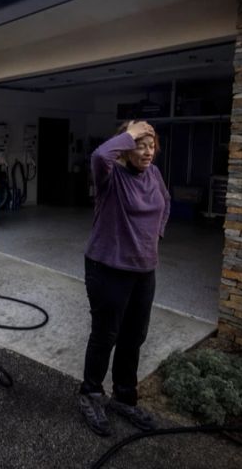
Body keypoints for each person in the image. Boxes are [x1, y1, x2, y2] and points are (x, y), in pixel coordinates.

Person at [78, 119, 169, 436]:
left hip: (144, 270)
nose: (147, 152)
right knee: (106, 334)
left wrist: (154, 235)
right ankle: (90, 394)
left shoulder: (154, 175)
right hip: (107, 268)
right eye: (140, 145)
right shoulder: (110, 176)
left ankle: (124, 397)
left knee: (134, 336)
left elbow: (165, 203)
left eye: (151, 145)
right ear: (126, 148)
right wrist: (130, 133)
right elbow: (99, 157)